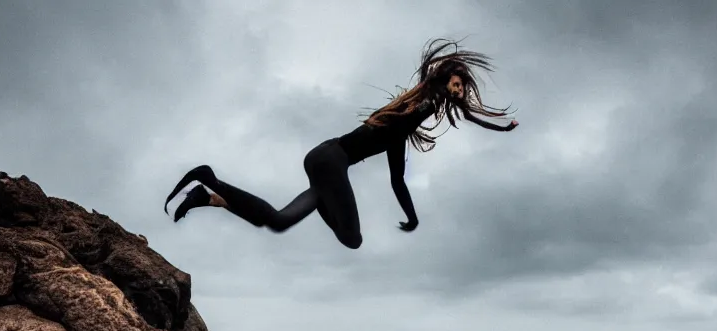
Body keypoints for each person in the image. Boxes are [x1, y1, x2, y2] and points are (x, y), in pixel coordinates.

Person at [163, 38, 518, 249]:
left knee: (276, 221)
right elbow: (442, 99)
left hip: (322, 157)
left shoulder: (397, 130)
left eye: (459, 90)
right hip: (332, 162)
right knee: (353, 240)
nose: (457, 94)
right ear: (441, 84)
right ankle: (210, 177)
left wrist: (412, 217)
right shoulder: (417, 107)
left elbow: (398, 181)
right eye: (455, 87)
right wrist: (494, 124)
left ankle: (208, 196)